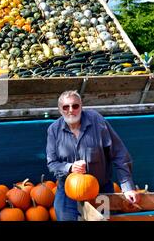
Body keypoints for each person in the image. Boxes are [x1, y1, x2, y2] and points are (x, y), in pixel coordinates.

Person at [46, 90, 140, 221]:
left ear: (81, 106)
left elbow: (119, 154)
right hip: (68, 192)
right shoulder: (54, 130)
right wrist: (70, 167)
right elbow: (52, 163)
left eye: (75, 106)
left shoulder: (97, 121)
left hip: (100, 190)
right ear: (60, 110)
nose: (71, 110)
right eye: (66, 107)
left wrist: (127, 187)